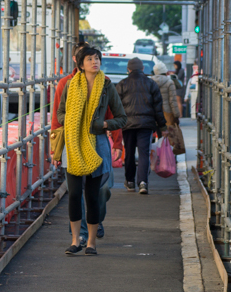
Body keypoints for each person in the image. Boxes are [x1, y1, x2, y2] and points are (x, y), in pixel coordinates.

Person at [57, 47, 126, 255]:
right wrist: (69, 122)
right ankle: (76, 240)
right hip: (73, 143)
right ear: (80, 64)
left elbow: (122, 118)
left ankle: (92, 243)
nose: (95, 62)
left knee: (93, 196)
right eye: (90, 59)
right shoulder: (70, 84)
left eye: (97, 58)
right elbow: (61, 112)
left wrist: (103, 124)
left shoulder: (106, 86)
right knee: (74, 194)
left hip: (97, 144)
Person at [115, 57, 167, 195]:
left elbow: (116, 107)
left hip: (127, 124)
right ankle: (143, 182)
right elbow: (158, 108)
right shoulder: (151, 84)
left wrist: (114, 124)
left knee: (129, 153)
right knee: (144, 153)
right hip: (146, 124)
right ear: (143, 69)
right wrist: (162, 127)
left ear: (128, 69)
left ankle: (130, 181)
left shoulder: (121, 84)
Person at [151, 61, 181, 127]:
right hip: (167, 112)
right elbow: (172, 100)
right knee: (168, 135)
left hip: (153, 112)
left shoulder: (150, 82)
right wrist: (176, 115)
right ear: (165, 71)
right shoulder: (169, 82)